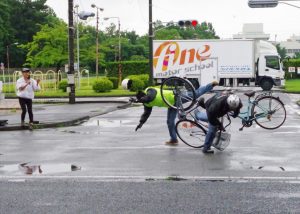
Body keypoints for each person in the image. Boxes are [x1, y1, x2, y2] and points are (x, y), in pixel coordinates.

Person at [123, 78, 219, 145]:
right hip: (171, 106)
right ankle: (174, 139)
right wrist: (140, 123)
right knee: (170, 122)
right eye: (142, 99)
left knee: (196, 94)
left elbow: (149, 97)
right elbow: (146, 114)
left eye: (142, 98)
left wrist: (140, 100)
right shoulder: (147, 104)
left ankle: (211, 85)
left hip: (176, 97)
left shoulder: (150, 90)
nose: (144, 99)